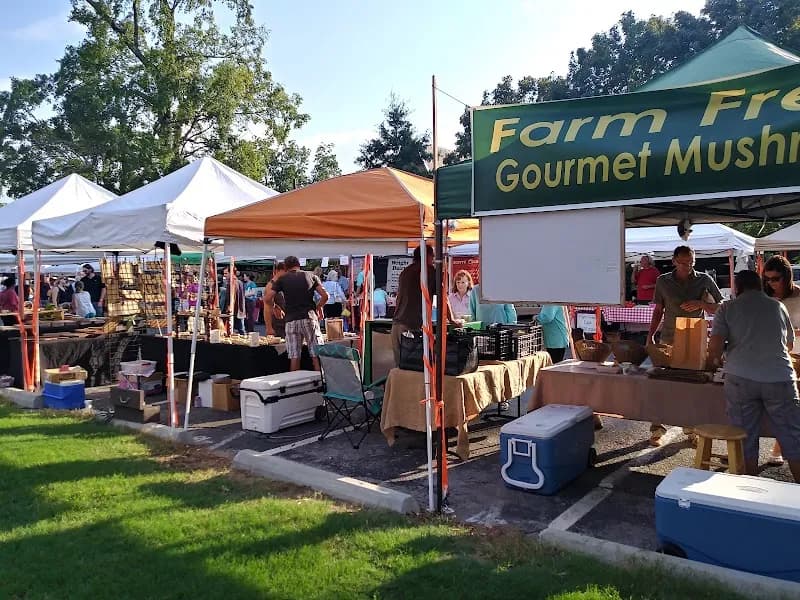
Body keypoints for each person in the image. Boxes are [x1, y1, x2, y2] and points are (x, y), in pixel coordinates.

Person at [708, 270, 800, 482]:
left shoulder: (727, 308)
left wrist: (718, 359)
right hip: (780, 377)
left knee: (743, 437)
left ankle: (746, 495)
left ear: (737, 288)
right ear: (759, 286)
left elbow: (715, 346)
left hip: (740, 378)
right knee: (793, 437)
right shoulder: (777, 306)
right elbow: (789, 345)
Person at [647, 245, 723, 446]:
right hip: (669, 338)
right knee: (662, 385)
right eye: (682, 263)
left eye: (690, 262)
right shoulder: (663, 281)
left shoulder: (704, 279)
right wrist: (650, 335)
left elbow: (721, 307)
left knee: (691, 386)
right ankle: (657, 427)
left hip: (694, 340)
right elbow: (658, 310)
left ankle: (691, 429)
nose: (687, 266)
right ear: (674, 261)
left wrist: (701, 305)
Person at [391, 244, 458, 366]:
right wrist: (452, 320)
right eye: (432, 256)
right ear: (426, 256)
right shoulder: (429, 271)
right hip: (410, 328)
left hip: (396, 326)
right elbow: (443, 298)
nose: (433, 259)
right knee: (415, 368)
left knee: (401, 369)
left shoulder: (405, 272)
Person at [762, 255, 800, 466]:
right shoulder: (766, 298)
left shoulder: (799, 296)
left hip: (797, 356)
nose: (771, 283)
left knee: (791, 407)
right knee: (778, 406)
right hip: (773, 358)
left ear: (787, 277)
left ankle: (779, 447)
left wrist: (793, 332)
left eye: (775, 278)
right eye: (767, 279)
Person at [265, 256, 328, 371]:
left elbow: (268, 298)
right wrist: (317, 307)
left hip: (291, 320)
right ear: (298, 264)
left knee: (294, 356)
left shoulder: (282, 280)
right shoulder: (311, 275)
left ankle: (295, 385)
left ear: (286, 267)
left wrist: (275, 307)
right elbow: (325, 296)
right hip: (309, 317)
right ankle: (321, 380)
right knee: (315, 352)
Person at [264, 262, 287, 338]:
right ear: (278, 271)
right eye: (285, 271)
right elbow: (267, 308)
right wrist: (269, 328)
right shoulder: (271, 286)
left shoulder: (281, 284)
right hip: (276, 326)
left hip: (284, 324)